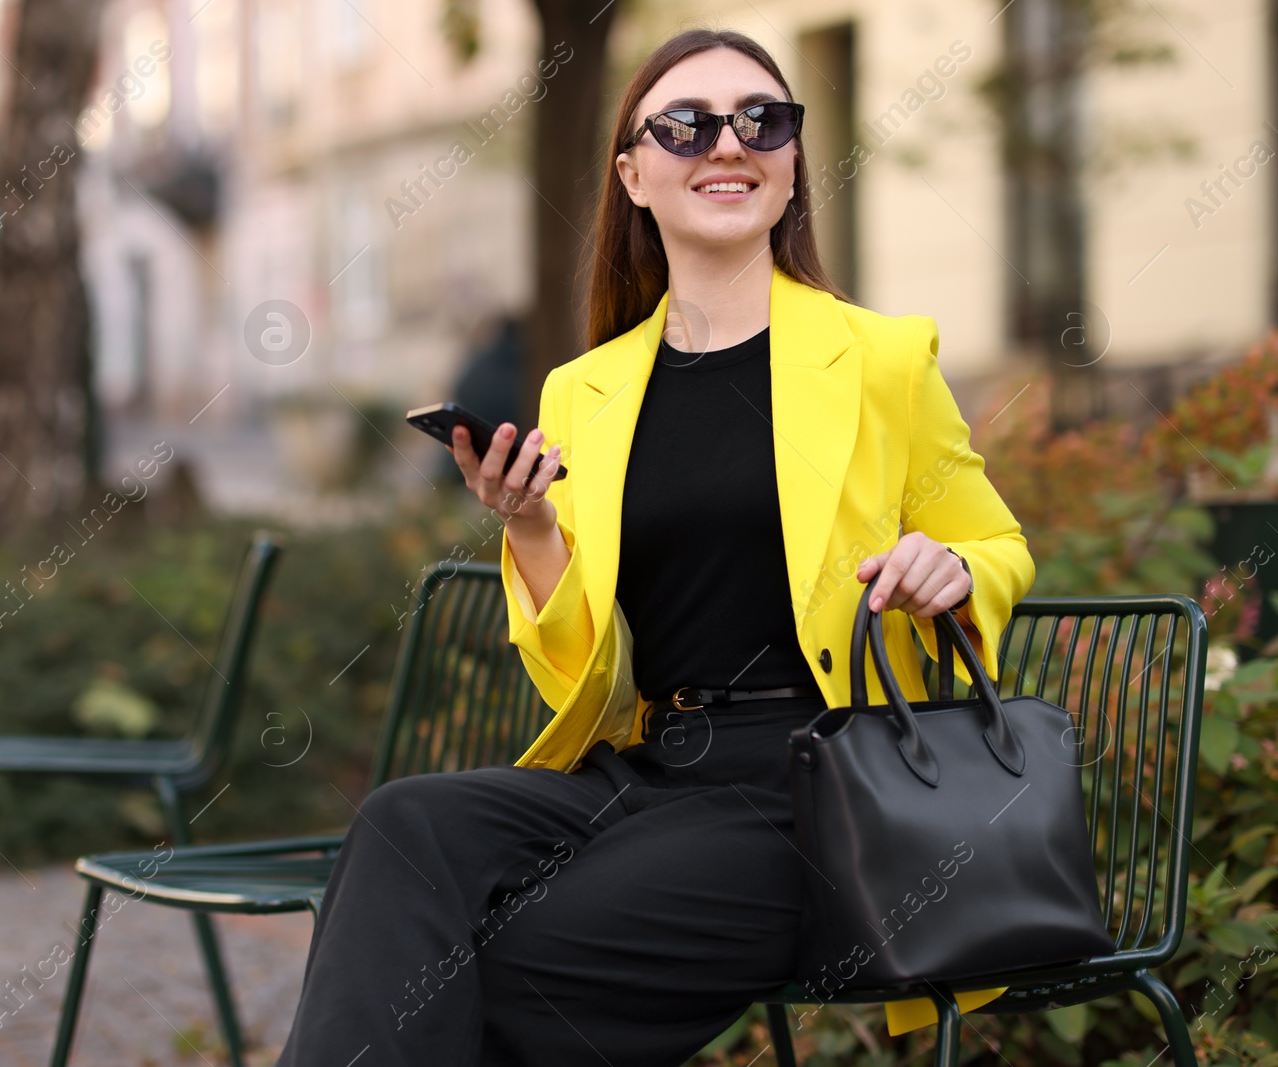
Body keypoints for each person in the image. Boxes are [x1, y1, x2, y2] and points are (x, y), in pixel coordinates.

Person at [275, 28, 1034, 1067]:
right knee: (406, 821)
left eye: (762, 120)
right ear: (633, 172)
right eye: (686, 125)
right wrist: (530, 526)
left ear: (792, 158)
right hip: (643, 766)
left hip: (812, 784)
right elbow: (573, 669)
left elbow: (993, 542)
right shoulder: (583, 390)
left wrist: (953, 571)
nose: (728, 144)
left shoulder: (881, 359)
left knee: (498, 964)